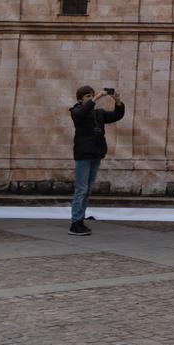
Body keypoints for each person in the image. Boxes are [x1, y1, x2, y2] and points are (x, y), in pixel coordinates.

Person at [68, 85, 125, 236]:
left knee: (87, 189)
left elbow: (116, 116)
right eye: (87, 96)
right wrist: (96, 98)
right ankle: (75, 223)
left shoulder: (98, 114)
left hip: (96, 154)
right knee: (81, 189)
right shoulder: (76, 111)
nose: (90, 98)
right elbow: (81, 114)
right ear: (80, 99)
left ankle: (80, 218)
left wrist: (118, 102)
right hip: (83, 154)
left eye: (91, 95)